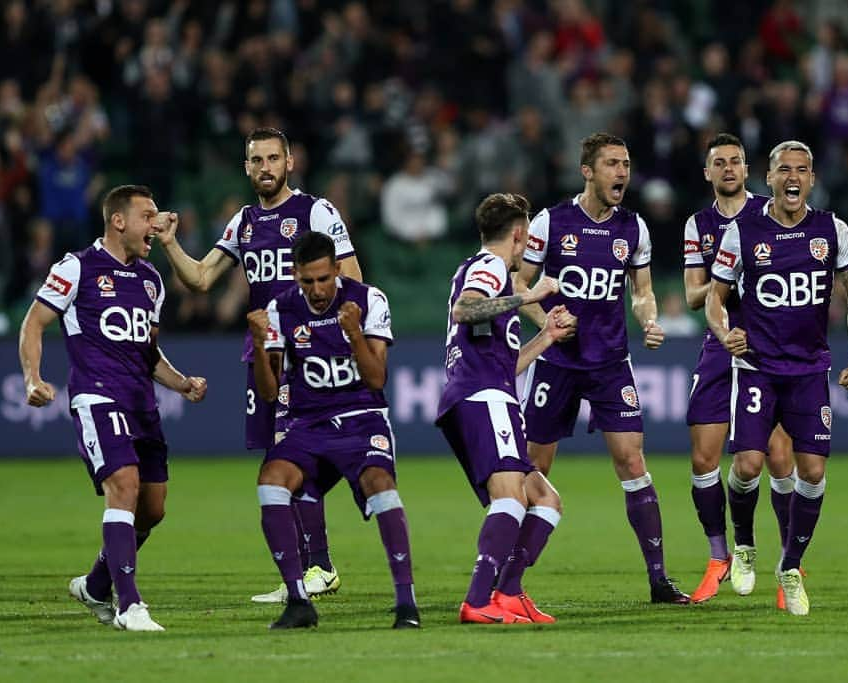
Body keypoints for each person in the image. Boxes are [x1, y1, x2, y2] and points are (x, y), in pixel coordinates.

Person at [156, 127, 362, 603]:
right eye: (256, 160)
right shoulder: (244, 222)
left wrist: (329, 336)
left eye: (273, 158)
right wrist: (169, 243)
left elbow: (352, 279)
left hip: (306, 356)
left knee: (288, 461)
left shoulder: (315, 212)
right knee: (280, 463)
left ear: (290, 163)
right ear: (246, 167)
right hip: (262, 357)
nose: (265, 167)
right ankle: (311, 570)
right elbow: (203, 278)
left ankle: (318, 568)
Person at [19, 185, 207, 632]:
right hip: (98, 395)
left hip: (142, 403)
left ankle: (96, 585)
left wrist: (181, 383)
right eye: (149, 216)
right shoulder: (77, 267)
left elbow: (148, 351)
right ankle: (130, 605)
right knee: (123, 484)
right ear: (119, 220)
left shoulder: (151, 280)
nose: (157, 225)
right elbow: (34, 322)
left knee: (153, 508)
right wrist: (33, 377)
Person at [514, 133, 690, 604]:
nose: (622, 173)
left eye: (627, 164)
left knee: (633, 461)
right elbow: (519, 281)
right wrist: (545, 321)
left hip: (611, 362)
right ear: (587, 171)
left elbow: (642, 290)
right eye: (612, 163)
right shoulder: (552, 222)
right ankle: (509, 580)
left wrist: (649, 319)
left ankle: (658, 579)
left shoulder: (634, 228)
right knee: (534, 468)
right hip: (557, 362)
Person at [706, 141, 848, 616]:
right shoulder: (742, 232)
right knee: (749, 466)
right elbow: (715, 299)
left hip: (808, 370)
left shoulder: (831, 229)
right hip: (757, 366)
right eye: (784, 170)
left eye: (802, 169)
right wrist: (724, 332)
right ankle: (744, 545)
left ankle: (791, 567)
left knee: (813, 471)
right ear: (770, 178)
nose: (793, 177)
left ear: (812, 179)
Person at [246, 231, 418, 630]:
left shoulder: (368, 300)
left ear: (337, 269)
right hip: (309, 423)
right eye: (307, 281)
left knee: (382, 486)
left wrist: (355, 333)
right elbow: (270, 392)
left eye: (323, 279)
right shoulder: (280, 310)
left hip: (363, 419)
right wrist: (259, 346)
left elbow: (376, 380)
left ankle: (406, 603)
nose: (317, 289)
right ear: (296, 276)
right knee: (271, 482)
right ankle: (298, 600)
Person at [437, 193, 575, 624]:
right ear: (518, 234)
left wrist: (546, 336)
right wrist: (529, 295)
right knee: (511, 498)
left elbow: (506, 362)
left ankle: (509, 591)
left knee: (545, 500)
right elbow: (466, 309)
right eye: (527, 234)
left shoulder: (484, 271)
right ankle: (478, 600)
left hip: (492, 391)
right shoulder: (490, 267)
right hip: (481, 397)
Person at [682, 133, 795, 605]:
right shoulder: (698, 223)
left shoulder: (770, 213)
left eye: (735, 161)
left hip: (768, 352)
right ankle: (718, 556)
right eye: (719, 163)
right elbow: (692, 295)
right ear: (707, 173)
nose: (728, 168)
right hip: (718, 345)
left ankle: (791, 563)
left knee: (779, 457)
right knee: (704, 459)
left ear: (747, 170)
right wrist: (726, 279)